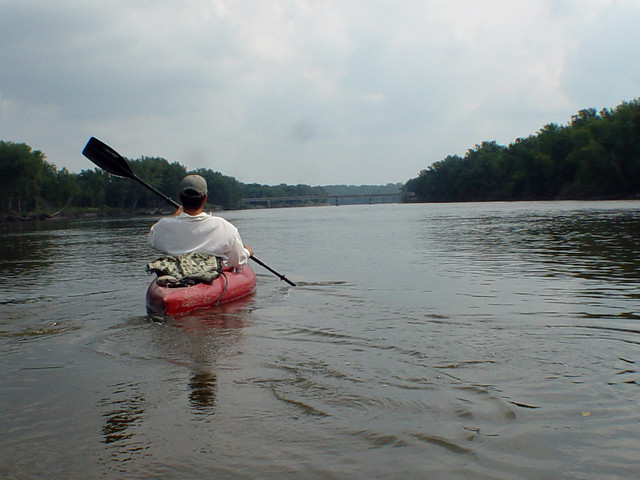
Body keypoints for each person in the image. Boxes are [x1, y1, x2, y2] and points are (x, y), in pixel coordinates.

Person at [149, 174, 252, 269]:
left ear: (180, 197)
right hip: (212, 277)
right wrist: (247, 252)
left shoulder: (163, 226)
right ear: (205, 199)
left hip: (175, 278)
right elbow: (238, 261)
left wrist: (174, 218)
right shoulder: (225, 227)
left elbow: (152, 240)